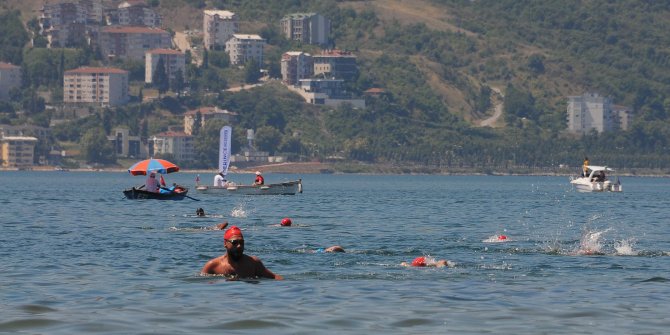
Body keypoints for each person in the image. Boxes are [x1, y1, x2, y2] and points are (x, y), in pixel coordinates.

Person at [200, 226, 283, 280]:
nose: (239, 246)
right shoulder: (212, 266)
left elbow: (274, 277)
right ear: (225, 243)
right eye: (234, 242)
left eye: (241, 242)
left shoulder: (253, 263)